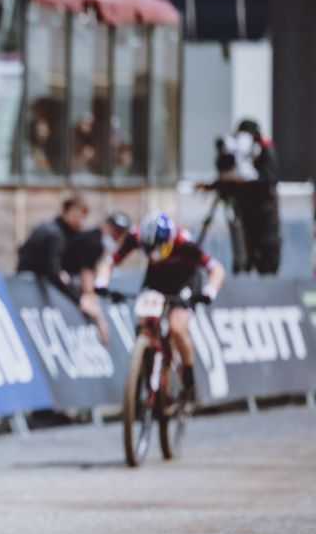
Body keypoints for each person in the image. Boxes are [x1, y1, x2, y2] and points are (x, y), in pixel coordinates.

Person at [95, 211, 226, 404]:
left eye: (157, 248)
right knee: (144, 320)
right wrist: (101, 282)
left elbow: (216, 269)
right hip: (157, 277)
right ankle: (144, 363)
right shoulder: (135, 237)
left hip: (185, 280)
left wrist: (209, 292)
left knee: (177, 326)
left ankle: (189, 381)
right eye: (148, 249)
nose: (153, 254)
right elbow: (109, 262)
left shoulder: (184, 242)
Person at [199, 119, 281, 275]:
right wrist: (213, 185)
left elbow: (270, 179)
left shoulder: (265, 150)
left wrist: (252, 178)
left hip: (265, 213)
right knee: (245, 248)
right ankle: (244, 267)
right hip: (245, 212)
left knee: (268, 250)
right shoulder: (238, 156)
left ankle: (265, 271)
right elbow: (230, 177)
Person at [64, 211, 132, 345]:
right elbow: (86, 273)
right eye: (115, 231)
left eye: (120, 233)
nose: (116, 236)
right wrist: (89, 296)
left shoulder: (97, 242)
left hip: (72, 275)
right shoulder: (92, 241)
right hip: (63, 275)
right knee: (92, 306)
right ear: (106, 225)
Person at [16, 196, 89, 302]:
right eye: (75, 216)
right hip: (31, 283)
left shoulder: (60, 231)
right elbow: (53, 270)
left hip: (33, 279)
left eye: (81, 217)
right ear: (64, 213)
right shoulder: (55, 235)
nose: (79, 221)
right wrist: (77, 298)